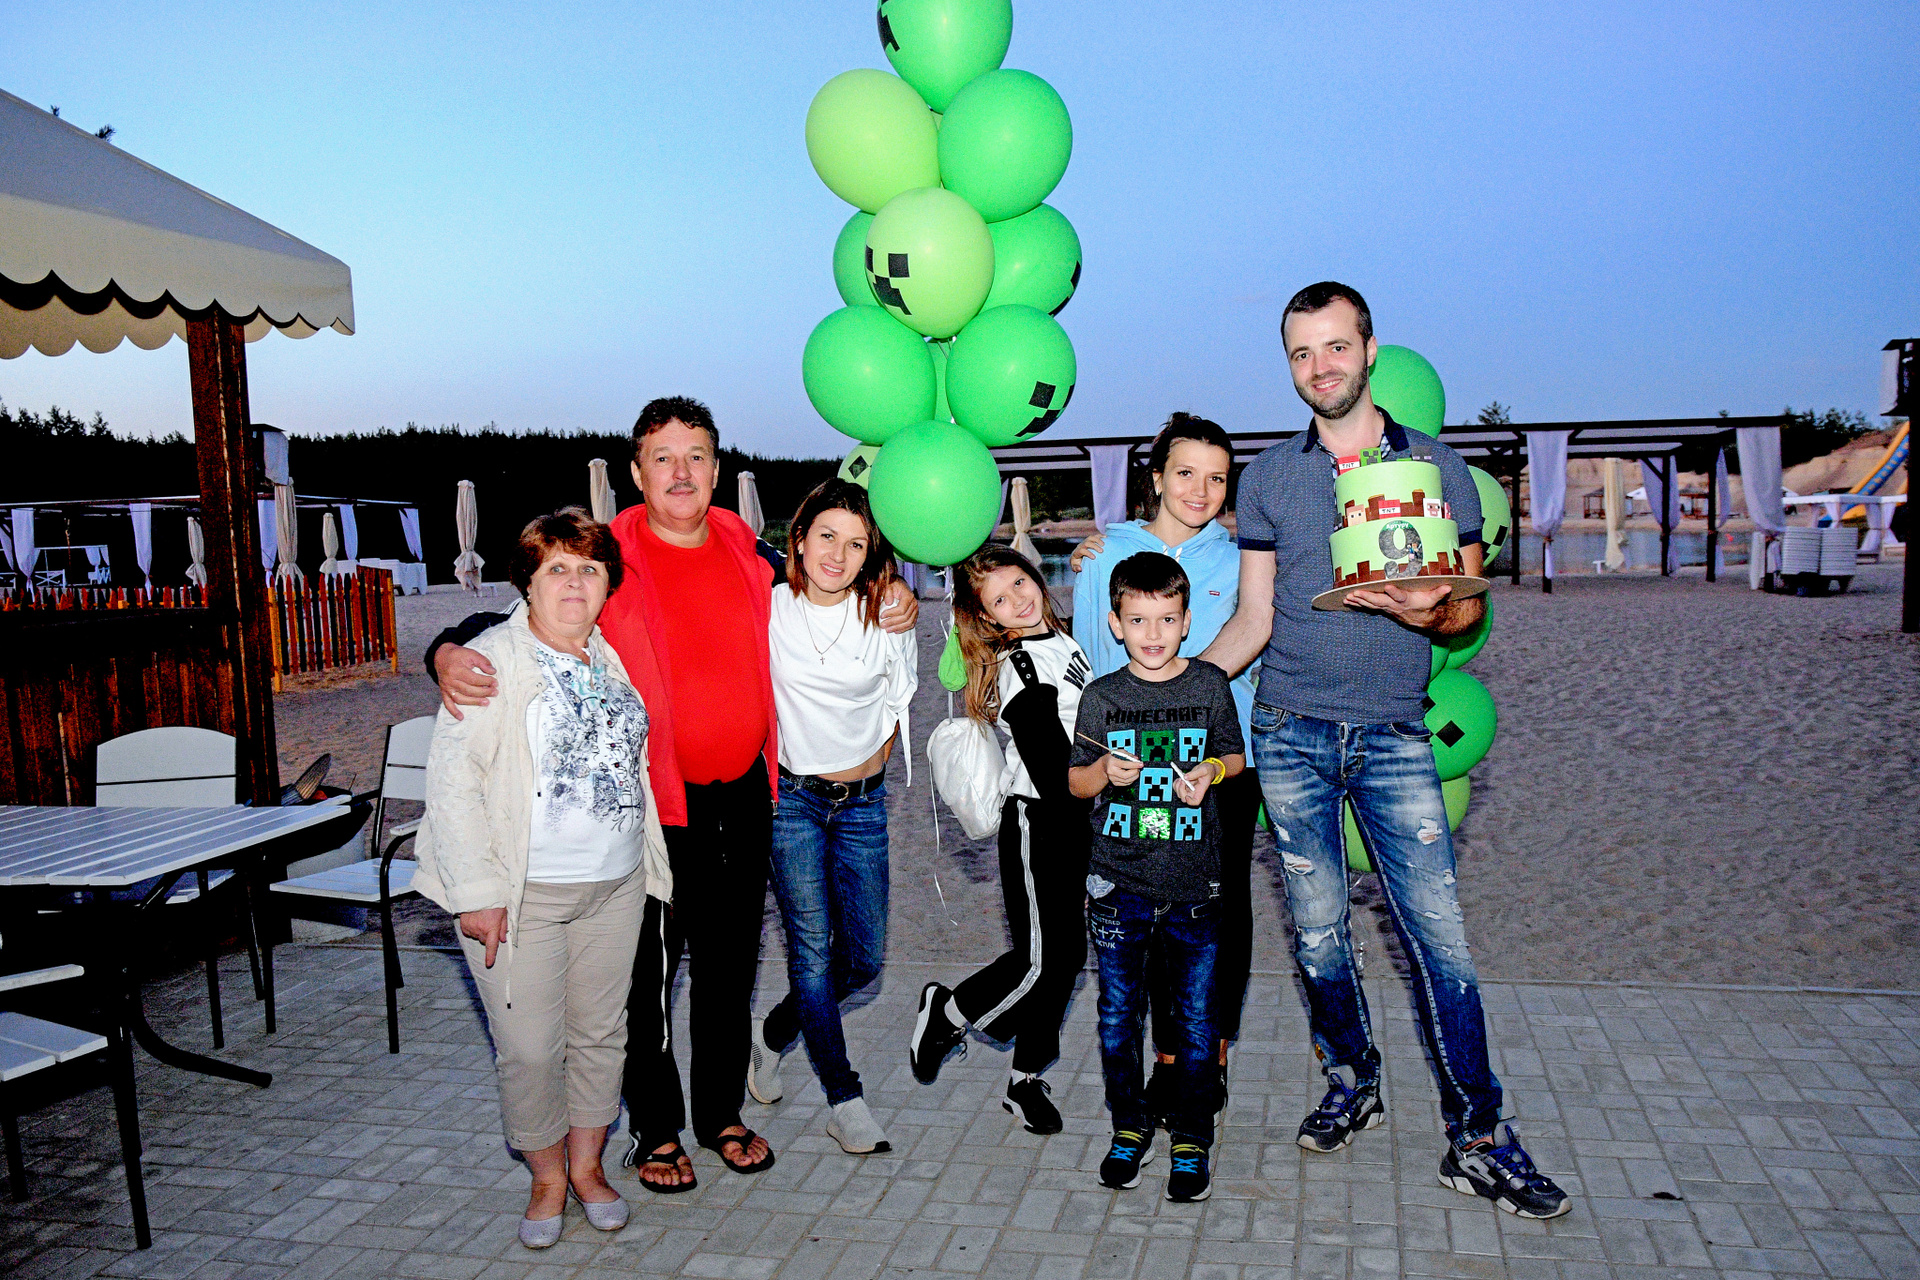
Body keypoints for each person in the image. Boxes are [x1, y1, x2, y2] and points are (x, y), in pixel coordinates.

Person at [425, 396, 919, 1192]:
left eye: (696, 457)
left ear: (717, 471)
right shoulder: (606, 553)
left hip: (748, 797)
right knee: (646, 979)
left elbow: (833, 577)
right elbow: (516, 615)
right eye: (664, 457)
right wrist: (445, 651)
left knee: (730, 968)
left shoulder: (750, 550)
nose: (681, 472)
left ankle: (721, 1113)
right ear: (637, 471)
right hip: (656, 808)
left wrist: (892, 593)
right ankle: (655, 1129)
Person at [1200, 281, 1569, 1219]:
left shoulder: (1437, 469)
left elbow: (1467, 610)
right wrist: (1176, 688)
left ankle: (1477, 1136)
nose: (1319, 367)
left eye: (1335, 347)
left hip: (1397, 735)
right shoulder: (1269, 478)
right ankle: (1350, 1078)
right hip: (1289, 734)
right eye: (1300, 353)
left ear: (1369, 350)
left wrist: (1422, 611)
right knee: (1318, 931)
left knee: (1438, 936)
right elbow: (1253, 617)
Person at [413, 508, 672, 1248]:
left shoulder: (610, 659)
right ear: (527, 582)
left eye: (589, 569)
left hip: (615, 887)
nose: (574, 582)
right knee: (529, 1049)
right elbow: (453, 784)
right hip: (521, 895)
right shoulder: (490, 659)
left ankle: (587, 1168)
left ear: (607, 585)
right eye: (557, 568)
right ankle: (546, 1178)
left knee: (601, 1036)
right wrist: (476, 894)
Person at [1068, 413, 1258, 1122]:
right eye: (1185, 473)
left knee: (1220, 908)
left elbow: (1261, 629)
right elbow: (1089, 661)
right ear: (1155, 477)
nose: (1201, 490)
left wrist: (1192, 710)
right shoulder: (1105, 554)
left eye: (1217, 477)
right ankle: (1165, 1055)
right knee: (1139, 906)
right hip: (1129, 769)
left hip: (1218, 765)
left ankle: (1207, 1054)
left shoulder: (1241, 560)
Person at [747, 478, 917, 1156]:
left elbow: (899, 701)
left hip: (864, 806)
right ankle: (845, 1100)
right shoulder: (767, 608)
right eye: (826, 536)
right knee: (812, 953)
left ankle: (773, 1034)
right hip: (791, 802)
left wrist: (868, 768)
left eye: (855, 544)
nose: (837, 555)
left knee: (863, 961)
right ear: (798, 538)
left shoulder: (887, 612)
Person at [1068, 552, 1244, 1203]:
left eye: (1167, 618)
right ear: (1115, 624)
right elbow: (1075, 781)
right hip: (1117, 887)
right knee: (1119, 1018)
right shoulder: (1101, 697)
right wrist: (1103, 775)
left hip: (1196, 887)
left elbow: (1234, 756)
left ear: (1187, 620)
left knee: (1197, 1020)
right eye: (1138, 619)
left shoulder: (1210, 685)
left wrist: (1211, 773)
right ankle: (1129, 1125)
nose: (1153, 632)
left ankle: (1192, 1136)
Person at [907, 547, 1089, 1134]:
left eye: (1020, 582)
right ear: (988, 618)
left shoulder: (1063, 641)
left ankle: (1024, 1079)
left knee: (1065, 960)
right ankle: (949, 1011)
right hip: (1041, 822)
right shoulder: (1021, 667)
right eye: (1000, 599)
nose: (1018, 599)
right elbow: (1052, 767)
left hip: (1076, 818)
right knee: (1042, 961)